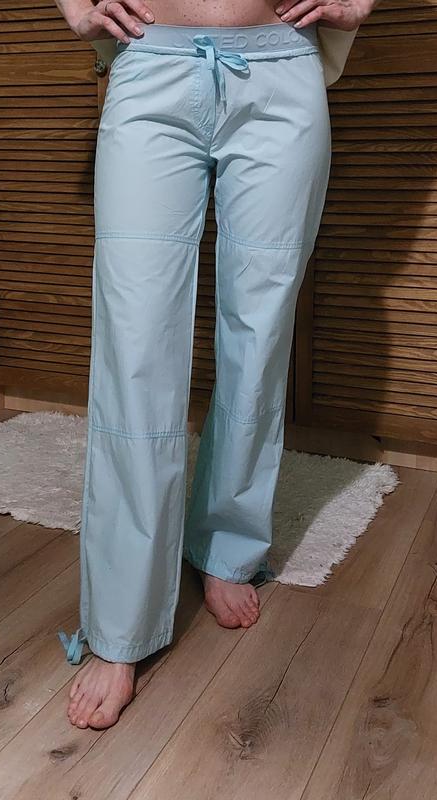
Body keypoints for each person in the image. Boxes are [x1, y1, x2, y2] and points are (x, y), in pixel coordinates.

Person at [54, 0, 377, 731]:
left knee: (259, 333)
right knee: (135, 348)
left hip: (281, 70)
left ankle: (226, 546)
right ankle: (120, 626)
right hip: (152, 63)